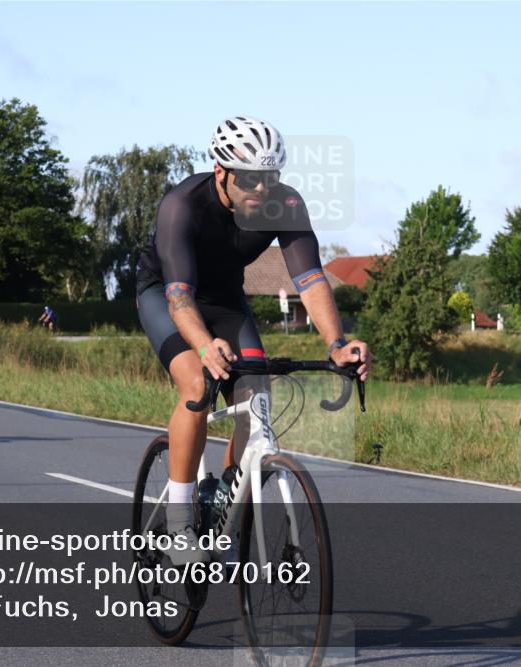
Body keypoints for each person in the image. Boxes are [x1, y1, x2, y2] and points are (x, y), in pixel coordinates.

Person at [135, 116, 372, 564]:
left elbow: (310, 279)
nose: (260, 191)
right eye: (250, 180)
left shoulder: (284, 203)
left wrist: (337, 343)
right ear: (222, 172)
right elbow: (180, 298)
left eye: (270, 178)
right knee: (197, 386)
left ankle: (225, 494)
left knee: (256, 396)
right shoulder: (182, 205)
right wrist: (204, 346)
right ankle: (181, 522)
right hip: (166, 294)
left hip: (225, 300)